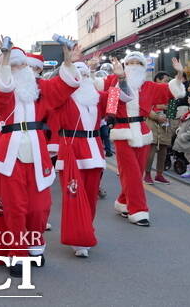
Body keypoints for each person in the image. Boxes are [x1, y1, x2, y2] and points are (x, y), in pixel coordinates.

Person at [0, 37, 81, 276]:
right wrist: (6, 59)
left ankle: (35, 246)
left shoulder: (43, 90)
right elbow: (0, 92)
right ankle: (16, 253)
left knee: (40, 207)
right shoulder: (4, 90)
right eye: (17, 66)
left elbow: (66, 86)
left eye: (24, 66)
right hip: (9, 154)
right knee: (15, 207)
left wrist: (68, 62)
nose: (23, 70)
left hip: (38, 151)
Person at [104, 52, 185, 226]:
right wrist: (119, 79)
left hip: (142, 131)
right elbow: (110, 106)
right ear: (125, 65)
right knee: (131, 173)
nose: (134, 65)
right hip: (123, 131)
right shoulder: (114, 82)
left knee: (136, 172)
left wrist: (179, 74)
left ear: (143, 67)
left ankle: (123, 202)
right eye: (130, 62)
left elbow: (172, 91)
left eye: (138, 63)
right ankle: (138, 210)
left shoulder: (149, 86)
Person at [53, 61, 124, 258]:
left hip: (93, 152)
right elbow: (56, 90)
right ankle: (77, 237)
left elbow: (115, 103)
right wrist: (68, 62)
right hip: (71, 152)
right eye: (78, 75)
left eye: (86, 75)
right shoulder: (63, 99)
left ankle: (86, 230)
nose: (82, 79)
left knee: (91, 197)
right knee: (74, 196)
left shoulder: (96, 97)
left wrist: (120, 78)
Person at [143, 72, 173, 185]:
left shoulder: (169, 91)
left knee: (164, 149)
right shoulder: (150, 90)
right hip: (151, 121)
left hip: (165, 122)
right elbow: (145, 107)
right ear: (158, 80)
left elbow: (171, 107)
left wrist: (167, 111)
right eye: (165, 80)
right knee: (151, 148)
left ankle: (159, 174)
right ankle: (147, 174)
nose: (167, 82)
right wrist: (156, 115)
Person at [173, 106, 190, 176]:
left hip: (189, 142)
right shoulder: (187, 117)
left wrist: (182, 136)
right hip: (188, 142)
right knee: (188, 155)